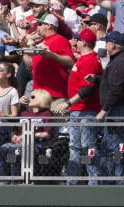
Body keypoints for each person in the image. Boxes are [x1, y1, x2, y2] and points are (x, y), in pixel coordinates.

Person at [53, 28, 102, 185]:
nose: (74, 41)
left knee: (88, 148)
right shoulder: (83, 58)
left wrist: (68, 103)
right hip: (79, 110)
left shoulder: (90, 60)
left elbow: (88, 88)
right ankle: (72, 183)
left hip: (85, 110)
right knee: (76, 148)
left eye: (77, 39)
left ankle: (93, 184)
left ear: (84, 42)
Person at [23, 13, 75, 113]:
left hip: (55, 95)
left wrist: (53, 55)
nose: (37, 27)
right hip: (39, 94)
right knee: (39, 126)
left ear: (48, 25)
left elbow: (70, 61)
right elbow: (30, 64)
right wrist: (24, 47)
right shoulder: (41, 43)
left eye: (40, 24)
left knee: (55, 126)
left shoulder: (60, 39)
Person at [0, 89, 52, 182]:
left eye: (32, 97)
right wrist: (14, 136)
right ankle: (3, 179)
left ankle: (15, 182)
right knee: (4, 148)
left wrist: (30, 135)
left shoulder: (46, 114)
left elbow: (47, 134)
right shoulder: (23, 113)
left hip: (34, 145)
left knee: (15, 151)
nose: (29, 99)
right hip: (18, 144)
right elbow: (15, 129)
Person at [91, 31, 124, 183]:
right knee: (113, 148)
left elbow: (117, 89)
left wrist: (104, 110)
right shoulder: (115, 60)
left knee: (116, 148)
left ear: (112, 44)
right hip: (114, 110)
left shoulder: (119, 62)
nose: (105, 45)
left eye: (106, 42)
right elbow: (111, 82)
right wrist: (97, 79)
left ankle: (118, 182)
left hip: (115, 111)